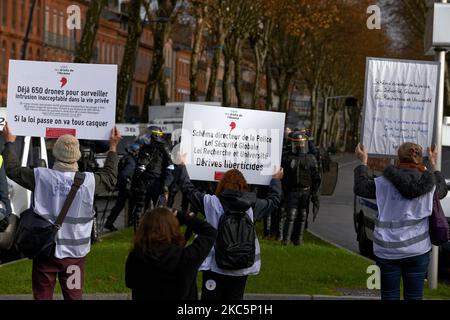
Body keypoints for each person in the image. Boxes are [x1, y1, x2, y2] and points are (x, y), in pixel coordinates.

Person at [1, 122, 120, 300]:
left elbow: (12, 170)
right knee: (73, 297)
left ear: (55, 154)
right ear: (77, 156)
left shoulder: (41, 176)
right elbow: (110, 178)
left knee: (42, 296)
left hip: (46, 249)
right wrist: (112, 147)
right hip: (75, 254)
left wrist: (9, 142)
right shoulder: (89, 182)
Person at [177, 156, 283, 300]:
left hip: (214, 267)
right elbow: (274, 201)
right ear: (244, 185)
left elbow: (187, 189)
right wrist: (275, 179)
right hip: (242, 267)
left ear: (222, 184)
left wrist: (182, 165)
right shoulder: (252, 206)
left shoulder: (210, 203)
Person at [354, 142, 447, 300]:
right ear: (419, 158)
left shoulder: (383, 183)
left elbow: (361, 187)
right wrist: (433, 165)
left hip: (387, 250)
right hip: (417, 251)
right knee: (414, 296)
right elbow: (442, 190)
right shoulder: (430, 185)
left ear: (398, 158)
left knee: (389, 295)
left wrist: (363, 162)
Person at [125, 207, 217, 300]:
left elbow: (129, 282)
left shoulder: (136, 256)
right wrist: (183, 216)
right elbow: (209, 232)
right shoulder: (186, 257)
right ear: (173, 229)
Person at [279, 131, 321, 245]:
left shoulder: (311, 158)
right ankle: (286, 240)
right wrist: (283, 191)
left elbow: (316, 177)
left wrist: (314, 193)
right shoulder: (287, 158)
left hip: (305, 191)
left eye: (301, 143)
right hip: (291, 191)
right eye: (297, 143)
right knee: (291, 215)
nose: (299, 146)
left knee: (302, 216)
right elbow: (282, 176)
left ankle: (298, 240)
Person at [129, 126, 174, 224]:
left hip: (156, 183)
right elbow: (138, 167)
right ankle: (142, 232)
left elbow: (170, 167)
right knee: (141, 212)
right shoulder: (144, 148)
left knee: (159, 212)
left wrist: (165, 185)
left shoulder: (163, 148)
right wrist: (134, 183)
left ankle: (158, 232)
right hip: (144, 183)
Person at [104, 143, 139, 231]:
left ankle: (109, 223)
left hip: (123, 186)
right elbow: (124, 174)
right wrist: (128, 182)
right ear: (135, 152)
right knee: (133, 204)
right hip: (128, 187)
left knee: (119, 206)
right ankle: (131, 223)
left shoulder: (125, 157)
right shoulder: (132, 161)